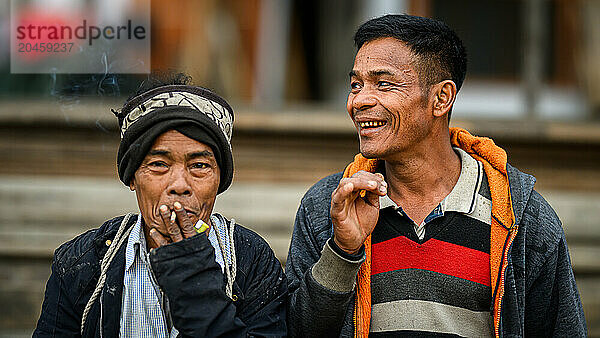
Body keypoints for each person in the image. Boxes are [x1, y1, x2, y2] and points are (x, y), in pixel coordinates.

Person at [286, 14, 586, 337]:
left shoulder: (520, 218)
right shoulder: (327, 209)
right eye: (356, 85)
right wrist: (343, 252)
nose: (359, 101)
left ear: (441, 98)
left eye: (383, 83)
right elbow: (295, 332)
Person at [34, 74, 287, 337]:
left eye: (199, 166)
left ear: (219, 180)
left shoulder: (251, 260)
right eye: (158, 164)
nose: (179, 184)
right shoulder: (81, 262)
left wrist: (194, 280)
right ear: (132, 177)